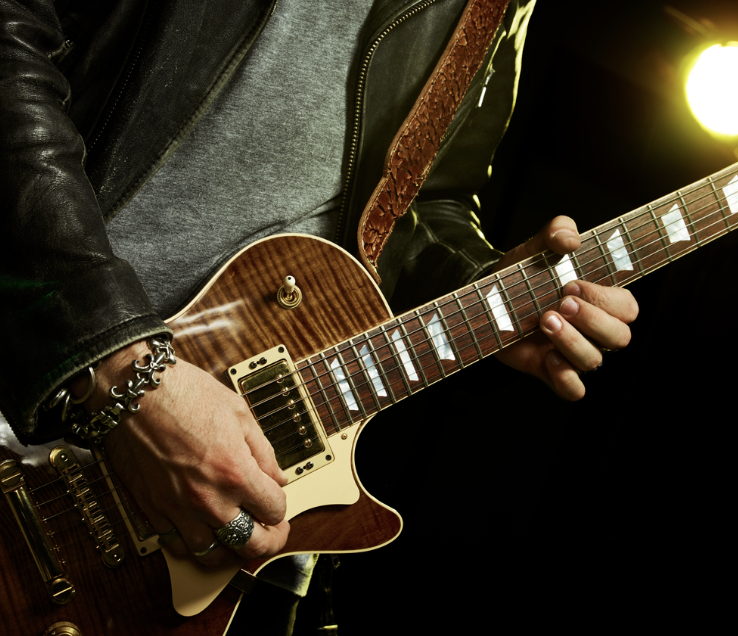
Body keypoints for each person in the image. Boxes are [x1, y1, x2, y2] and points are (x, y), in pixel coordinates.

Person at [0, 0, 637, 632]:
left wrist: (487, 291)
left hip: (244, 522)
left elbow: (424, 200)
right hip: (36, 379)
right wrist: (116, 363)